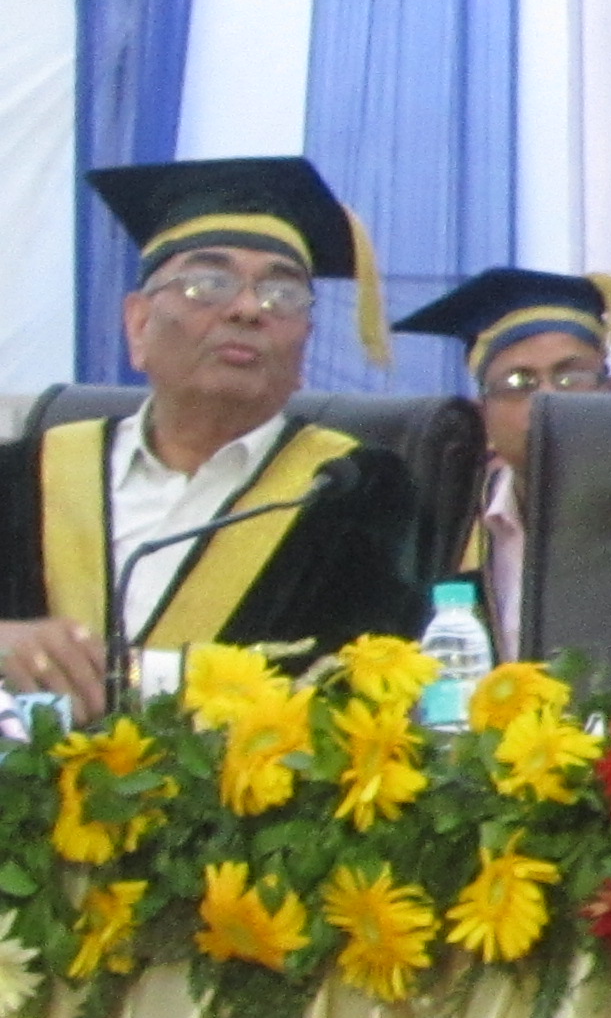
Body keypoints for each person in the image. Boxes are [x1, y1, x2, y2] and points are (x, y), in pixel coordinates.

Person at [0, 158, 427, 711]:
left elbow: (356, 679)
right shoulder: (22, 474)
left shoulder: (355, 489)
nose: (248, 309)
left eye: (281, 293)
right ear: (138, 324)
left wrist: (129, 678)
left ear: (305, 344)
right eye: (208, 284)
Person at [391, 265, 611, 656]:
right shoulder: (450, 534)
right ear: (484, 413)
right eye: (517, 384)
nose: (546, 401)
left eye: (571, 379)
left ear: (610, 394)